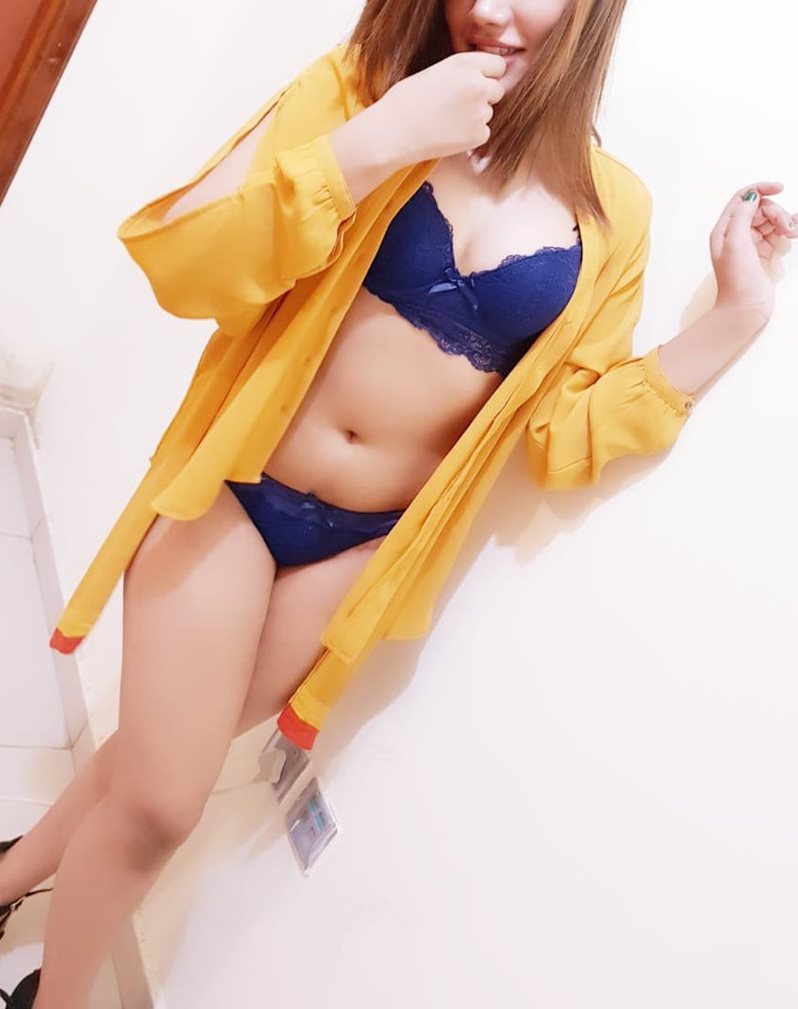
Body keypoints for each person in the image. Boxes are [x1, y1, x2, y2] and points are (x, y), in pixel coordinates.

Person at [1, 0, 794, 1005]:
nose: (487, 10)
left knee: (162, 756)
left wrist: (733, 316)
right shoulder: (359, 88)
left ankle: (5, 880)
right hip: (237, 495)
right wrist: (377, 140)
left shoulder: (613, 211)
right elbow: (187, 257)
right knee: (163, 804)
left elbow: (560, 431)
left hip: (359, 549)